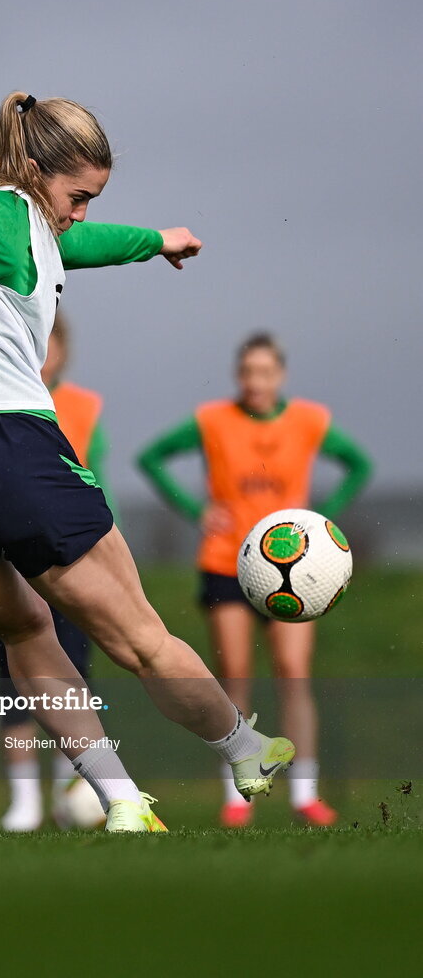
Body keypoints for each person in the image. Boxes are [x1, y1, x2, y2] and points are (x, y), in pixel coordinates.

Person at [0, 91, 296, 833]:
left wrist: (156, 239)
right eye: (78, 197)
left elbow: (57, 247)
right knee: (138, 637)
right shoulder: (4, 213)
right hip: (3, 445)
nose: (81, 214)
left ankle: (123, 801)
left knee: (26, 631)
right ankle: (244, 747)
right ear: (35, 171)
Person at [137, 331, 372, 827]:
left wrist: (322, 521)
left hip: (302, 575)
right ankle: (236, 795)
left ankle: (304, 794)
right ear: (237, 375)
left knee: (293, 672)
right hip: (229, 561)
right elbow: (151, 458)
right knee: (235, 677)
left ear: (280, 375)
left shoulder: (309, 420)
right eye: (247, 372)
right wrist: (195, 510)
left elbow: (358, 464)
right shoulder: (212, 420)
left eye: (265, 372)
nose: (255, 382)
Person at [0, 311, 107, 831]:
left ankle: (68, 793)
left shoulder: (85, 405)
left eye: (47, 344)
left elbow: (93, 477)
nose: (41, 354)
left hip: (71, 556)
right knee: (15, 677)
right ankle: (23, 801)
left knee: (70, 677)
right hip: (11, 558)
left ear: (61, 349)